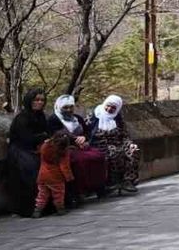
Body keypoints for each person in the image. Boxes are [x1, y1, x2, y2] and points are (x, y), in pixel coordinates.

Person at [46, 95, 108, 203]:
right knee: (79, 160)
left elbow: (88, 132)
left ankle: (99, 187)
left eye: (71, 107)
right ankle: (79, 191)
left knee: (98, 156)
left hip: (82, 146)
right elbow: (56, 136)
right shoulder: (53, 120)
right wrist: (73, 140)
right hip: (66, 147)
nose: (69, 110)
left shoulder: (77, 118)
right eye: (65, 107)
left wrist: (84, 138)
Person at [87, 95, 142, 194]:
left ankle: (128, 180)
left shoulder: (117, 118)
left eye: (113, 108)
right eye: (108, 106)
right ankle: (114, 182)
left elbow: (124, 135)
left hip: (117, 143)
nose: (109, 109)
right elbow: (86, 132)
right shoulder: (94, 115)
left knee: (133, 152)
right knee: (115, 152)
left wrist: (130, 144)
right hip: (99, 144)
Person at [7, 89, 49, 217]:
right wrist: (42, 136)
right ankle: (30, 208)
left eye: (42, 100)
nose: (40, 102)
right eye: (36, 100)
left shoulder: (41, 116)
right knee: (32, 169)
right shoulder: (22, 118)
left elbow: (47, 132)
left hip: (35, 148)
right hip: (20, 151)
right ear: (29, 101)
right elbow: (25, 138)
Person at [34, 130, 74, 218]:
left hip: (42, 176)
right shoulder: (63, 152)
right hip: (56, 177)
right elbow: (64, 166)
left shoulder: (45, 146)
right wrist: (69, 177)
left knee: (42, 194)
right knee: (58, 194)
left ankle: (38, 210)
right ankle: (60, 209)